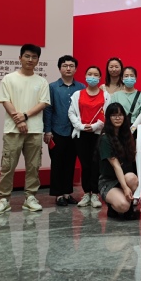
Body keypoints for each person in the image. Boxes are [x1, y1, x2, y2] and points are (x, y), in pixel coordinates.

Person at [0, 44, 50, 215]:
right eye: (27, 56)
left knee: (33, 166)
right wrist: (19, 120)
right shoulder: (9, 78)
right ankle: (4, 199)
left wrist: (24, 116)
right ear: (20, 58)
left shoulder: (42, 81)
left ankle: (30, 197)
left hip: (35, 130)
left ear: (38, 60)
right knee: (8, 165)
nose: (30, 60)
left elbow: (43, 103)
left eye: (34, 57)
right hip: (12, 130)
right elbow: (5, 100)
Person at [43, 55, 85, 206]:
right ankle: (58, 194)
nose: (68, 68)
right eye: (65, 66)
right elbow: (48, 110)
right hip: (57, 131)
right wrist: (47, 131)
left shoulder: (81, 87)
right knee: (57, 163)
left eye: (71, 66)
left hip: (75, 131)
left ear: (76, 69)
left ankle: (67, 193)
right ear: (59, 68)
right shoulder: (52, 87)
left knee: (70, 163)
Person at [68, 66, 111, 208]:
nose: (92, 77)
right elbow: (71, 112)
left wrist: (94, 126)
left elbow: (106, 114)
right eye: (90, 74)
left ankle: (95, 194)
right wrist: (80, 126)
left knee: (96, 164)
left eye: (95, 74)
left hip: (97, 134)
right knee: (85, 164)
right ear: (85, 76)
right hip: (81, 134)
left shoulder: (105, 95)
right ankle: (86, 193)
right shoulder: (77, 94)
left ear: (100, 78)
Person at [97, 103, 139, 219]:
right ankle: (112, 206)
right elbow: (116, 166)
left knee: (132, 178)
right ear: (108, 118)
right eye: (114, 115)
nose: (117, 118)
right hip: (108, 181)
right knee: (123, 206)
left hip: (125, 177)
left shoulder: (127, 136)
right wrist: (125, 188)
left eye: (120, 115)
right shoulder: (105, 138)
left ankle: (129, 206)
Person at [110, 67, 141, 133]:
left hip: (137, 129)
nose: (129, 78)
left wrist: (133, 129)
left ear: (135, 78)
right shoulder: (116, 95)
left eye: (131, 76)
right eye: (126, 76)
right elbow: (112, 113)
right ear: (122, 79)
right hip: (119, 128)